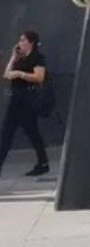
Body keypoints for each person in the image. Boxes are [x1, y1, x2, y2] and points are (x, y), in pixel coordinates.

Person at [0, 30, 50, 177]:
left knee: (21, 133)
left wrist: (21, 74)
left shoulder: (37, 58)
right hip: (16, 100)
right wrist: (13, 57)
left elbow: (39, 77)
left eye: (23, 40)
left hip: (28, 100)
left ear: (31, 43)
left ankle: (43, 162)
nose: (20, 43)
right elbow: (6, 74)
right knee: (16, 133)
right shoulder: (20, 59)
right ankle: (43, 162)